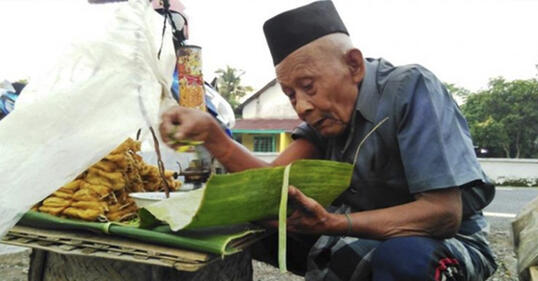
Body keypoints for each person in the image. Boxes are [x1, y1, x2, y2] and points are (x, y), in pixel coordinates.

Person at [159, 1, 497, 281]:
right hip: (358, 234)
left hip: (445, 242)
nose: (302, 106)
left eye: (309, 85)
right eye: (291, 94)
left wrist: (336, 223)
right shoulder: (325, 119)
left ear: (353, 65)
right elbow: (270, 190)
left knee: (404, 258)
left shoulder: (409, 88)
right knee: (233, 226)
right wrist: (214, 137)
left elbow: (443, 214)